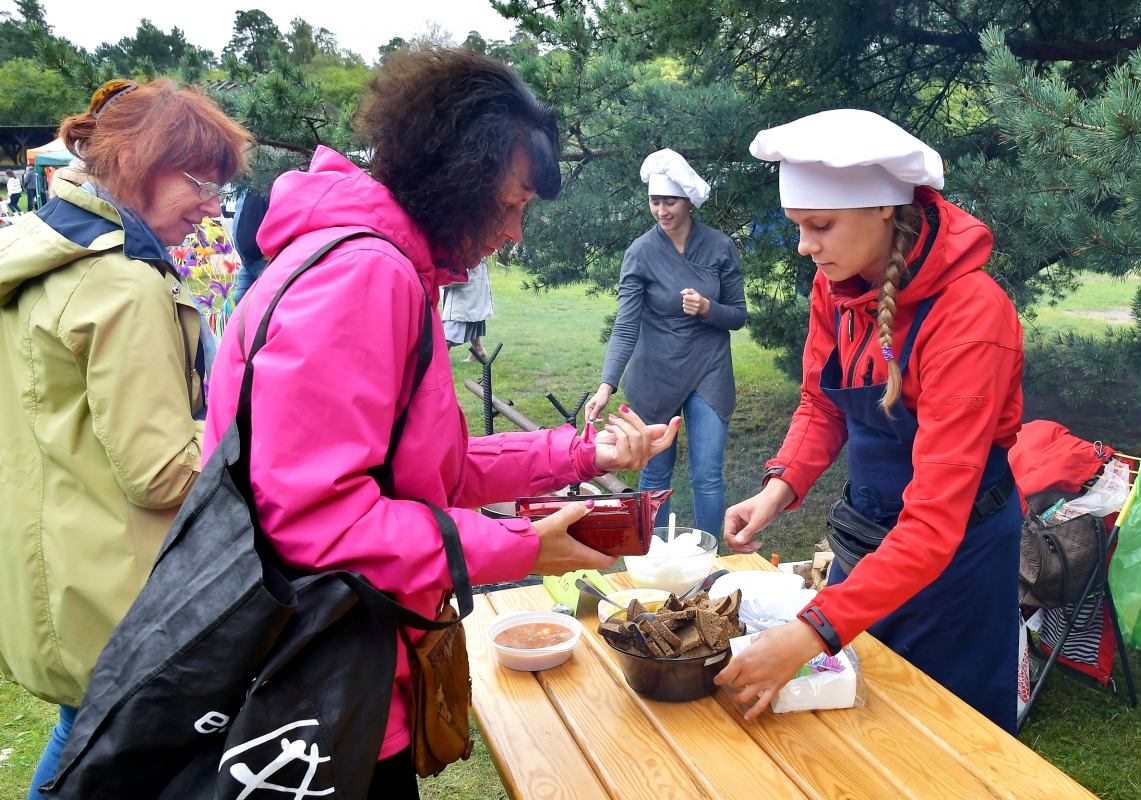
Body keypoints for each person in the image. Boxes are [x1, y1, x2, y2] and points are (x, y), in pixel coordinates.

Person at [201, 48, 680, 798]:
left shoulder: (377, 261)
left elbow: (429, 469)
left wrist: (583, 454)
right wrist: (521, 546)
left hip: (342, 657)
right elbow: (318, 521)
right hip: (321, 679)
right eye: (512, 203)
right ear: (456, 173)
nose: (515, 232)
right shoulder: (365, 274)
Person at [716, 109, 1024, 733]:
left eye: (820, 226)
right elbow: (822, 402)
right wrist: (779, 486)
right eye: (798, 227)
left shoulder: (970, 317)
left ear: (884, 207)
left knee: (945, 732)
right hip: (873, 536)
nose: (805, 246)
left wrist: (811, 631)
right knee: (859, 716)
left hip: (956, 557)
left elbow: (934, 523)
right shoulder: (836, 286)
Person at [0, 79, 252, 799]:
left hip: (54, 569)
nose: (213, 208)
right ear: (141, 162)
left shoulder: (36, 248)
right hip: (116, 586)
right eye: (203, 183)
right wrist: (250, 428)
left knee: (81, 735)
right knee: (110, 755)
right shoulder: (123, 284)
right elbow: (163, 472)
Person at [585, 149, 746, 538]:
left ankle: (709, 557)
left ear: (687, 201)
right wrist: (606, 385)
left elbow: (738, 315)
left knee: (707, 474)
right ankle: (655, 557)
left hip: (708, 369)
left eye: (670, 201)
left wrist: (708, 308)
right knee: (655, 471)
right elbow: (626, 325)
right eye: (655, 201)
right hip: (655, 372)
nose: (661, 210)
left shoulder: (719, 246)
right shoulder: (640, 253)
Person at [441, 256, 494, 360]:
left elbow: (460, 277)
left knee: (452, 330)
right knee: (471, 317)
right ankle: (478, 349)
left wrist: (439, 277)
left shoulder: (467, 253)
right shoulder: (474, 251)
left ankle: (437, 360)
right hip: (470, 291)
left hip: (463, 294)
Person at [230, 188, 269, 302]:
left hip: (265, 259)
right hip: (247, 260)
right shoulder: (244, 187)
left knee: (268, 301)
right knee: (239, 300)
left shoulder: (265, 185)